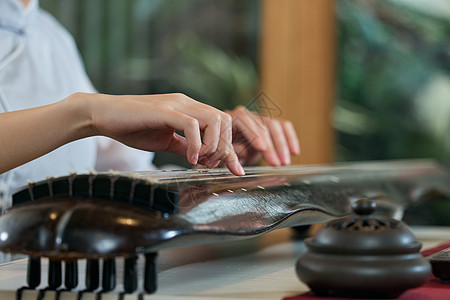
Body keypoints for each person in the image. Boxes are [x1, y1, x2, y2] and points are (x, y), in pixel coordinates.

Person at [0, 0, 299, 207]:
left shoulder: (52, 36)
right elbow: (86, 119)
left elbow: (122, 176)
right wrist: (86, 113)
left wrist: (213, 156)